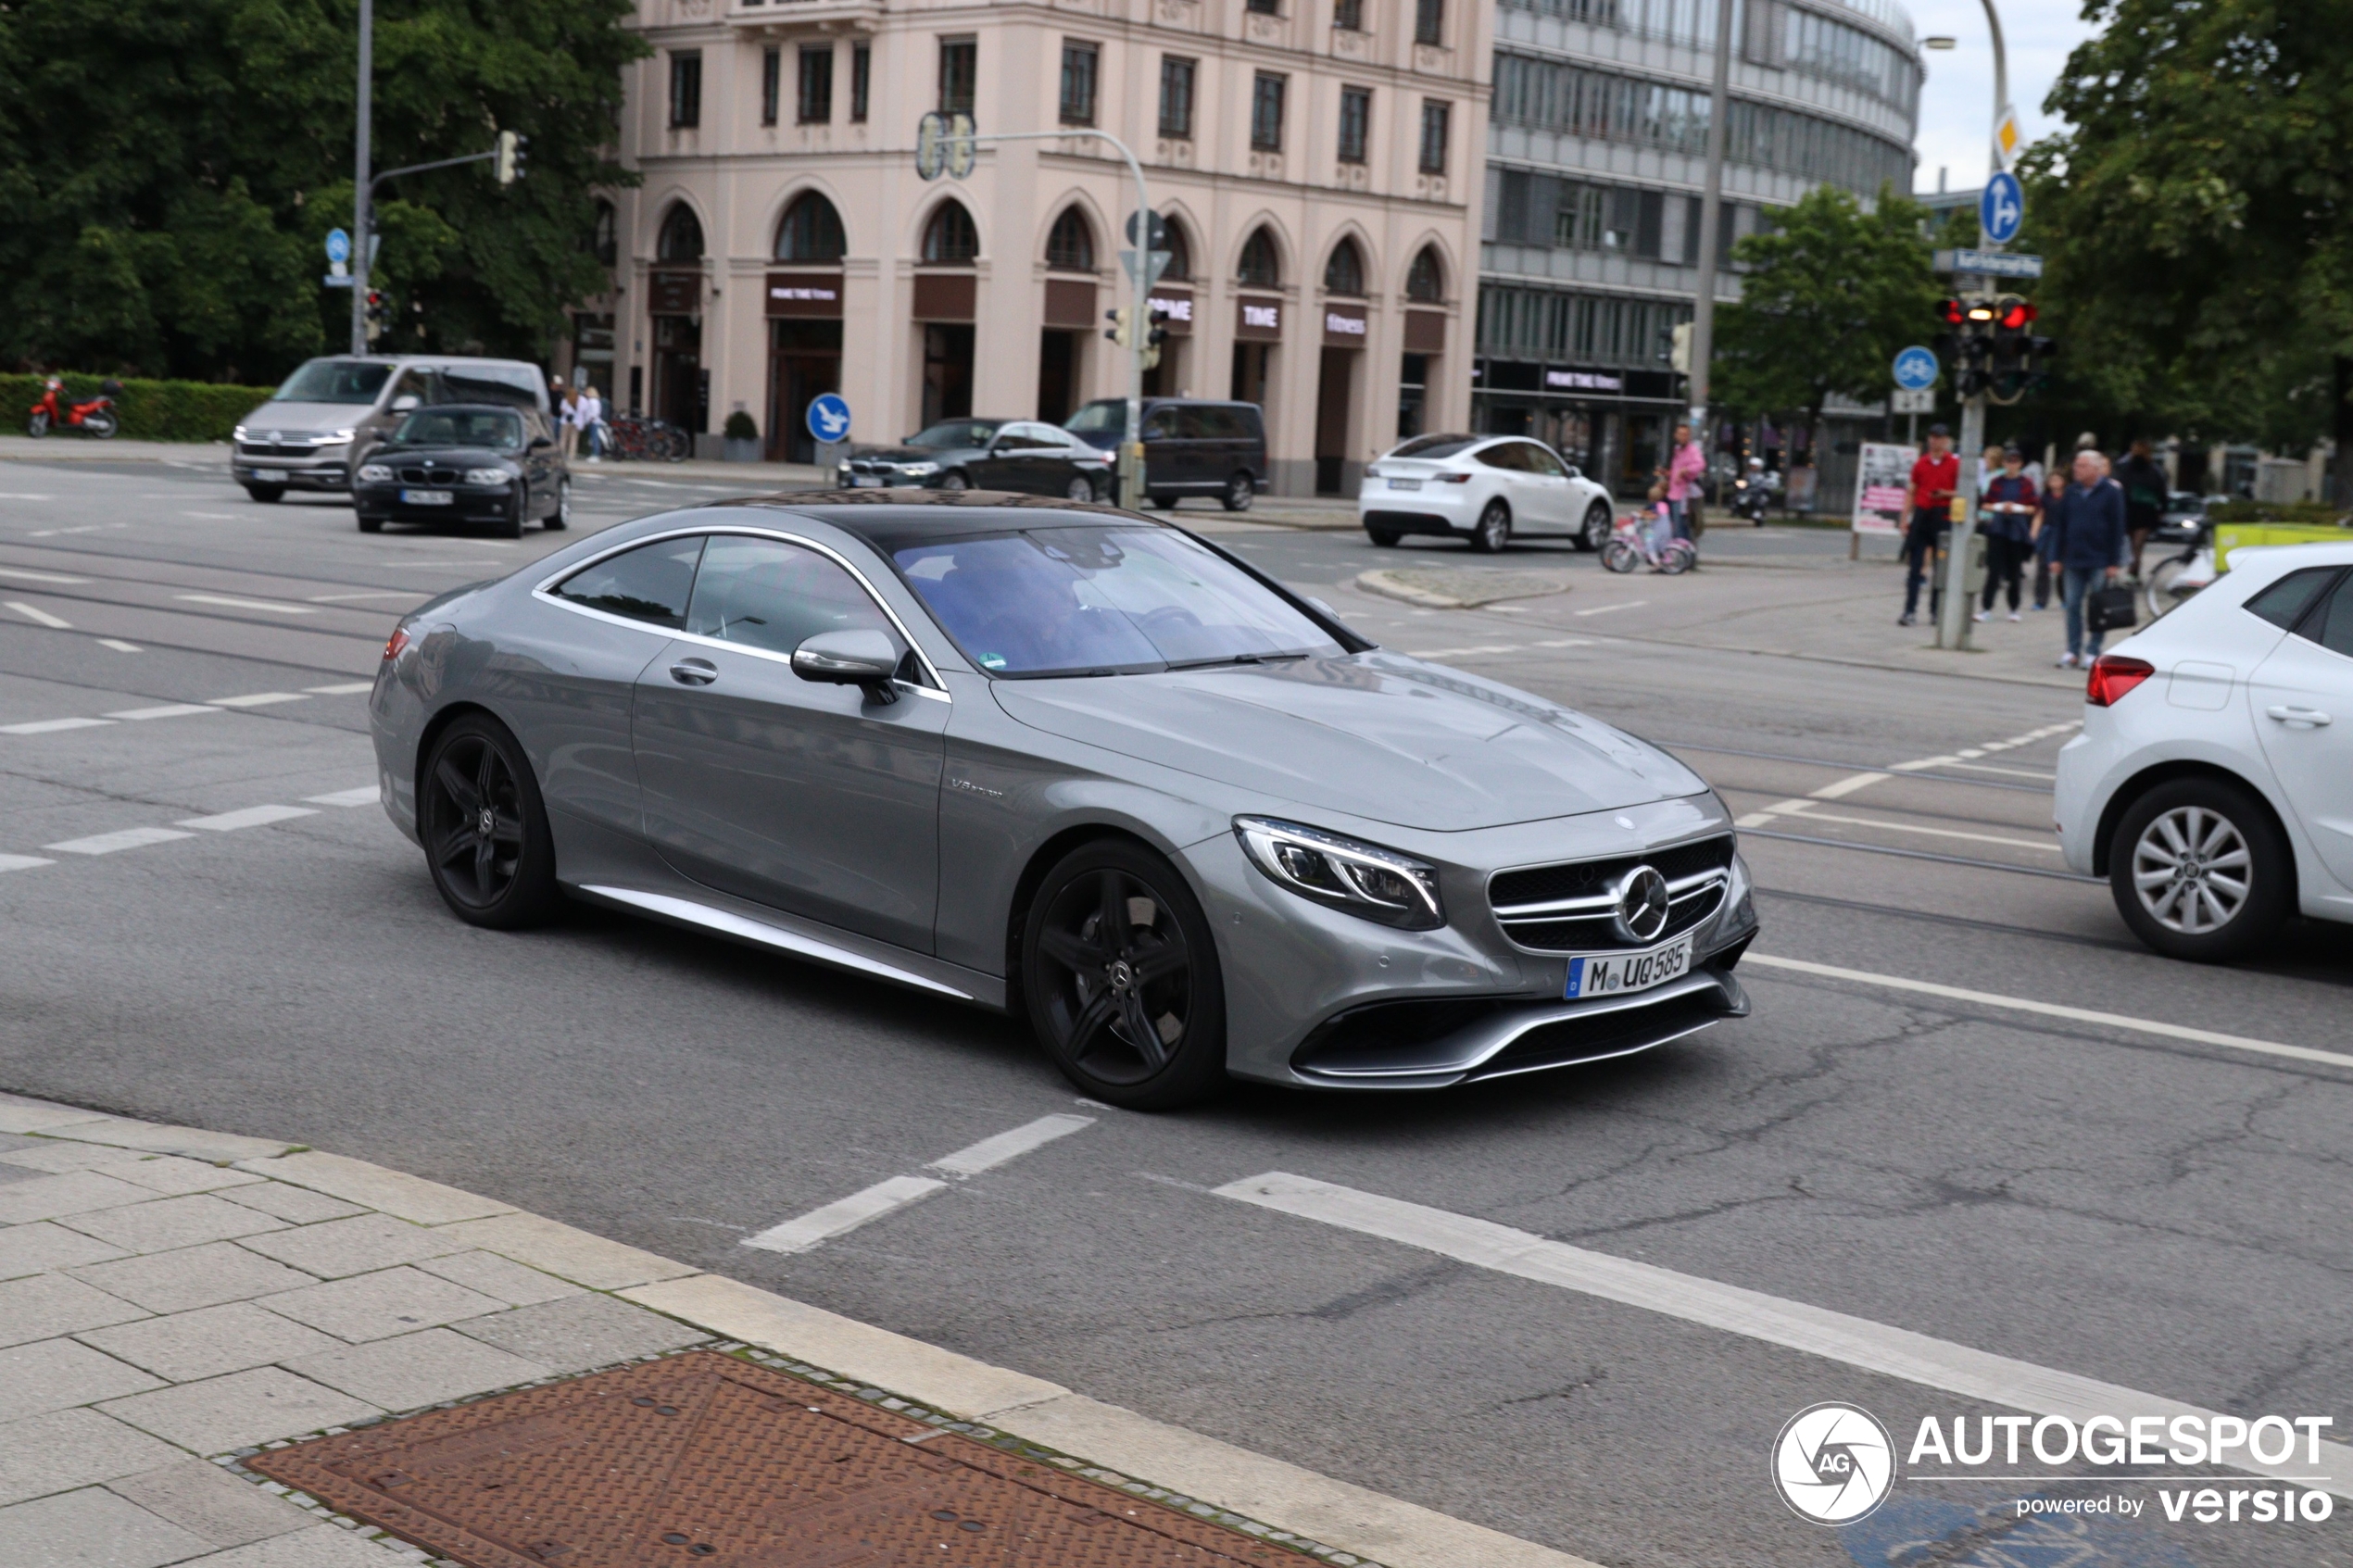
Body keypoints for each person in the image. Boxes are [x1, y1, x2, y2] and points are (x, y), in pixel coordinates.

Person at [2045, 447, 2128, 668]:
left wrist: (2114, 561)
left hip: (2099, 558)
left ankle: (2093, 650)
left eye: (2081, 466)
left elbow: (2117, 528)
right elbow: (2060, 526)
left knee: (2098, 606)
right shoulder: (2071, 492)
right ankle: (2072, 650)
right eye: (2076, 466)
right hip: (2074, 558)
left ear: (2095, 468)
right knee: (2072, 604)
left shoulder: (2111, 492)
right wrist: (2055, 556)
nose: (2076, 470)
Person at [1900, 423, 1958, 627]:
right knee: (1915, 566)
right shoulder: (1921, 463)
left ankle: (1936, 611)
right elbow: (1912, 491)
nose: (1935, 441)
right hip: (1923, 515)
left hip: (1942, 516)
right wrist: (1904, 519)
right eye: (1933, 437)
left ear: (1946, 440)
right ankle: (1909, 610)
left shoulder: (1954, 463)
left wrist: (1945, 493)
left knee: (1940, 567)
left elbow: (1963, 492)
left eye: (1940, 437)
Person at [1977, 445, 2039, 622]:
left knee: (2014, 572)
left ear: (2020, 464)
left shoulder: (2026, 483)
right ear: (2004, 463)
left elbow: (2033, 508)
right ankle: (1986, 608)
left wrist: (2016, 508)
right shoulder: (1997, 482)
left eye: (2015, 461)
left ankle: (2013, 608)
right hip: (1998, 529)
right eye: (2009, 461)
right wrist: (2000, 507)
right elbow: (1985, 504)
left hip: (2016, 531)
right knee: (1993, 571)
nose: (2012, 465)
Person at [2115, 438, 2167, 579]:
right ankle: (2134, 572)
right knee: (2137, 545)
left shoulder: (2125, 468)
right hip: (2144, 510)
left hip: (2132, 509)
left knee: (2134, 544)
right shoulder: (2154, 470)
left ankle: (2133, 571)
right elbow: (2162, 491)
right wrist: (2162, 509)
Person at [1663, 422, 1705, 540]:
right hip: (1672, 493)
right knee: (1673, 526)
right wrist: (1668, 474)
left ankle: (1683, 553)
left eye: (1686, 434)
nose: (1683, 437)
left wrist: (1685, 470)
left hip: (1684, 496)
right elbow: (1675, 470)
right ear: (1675, 435)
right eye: (1680, 434)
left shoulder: (1692, 450)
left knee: (1680, 527)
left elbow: (1700, 464)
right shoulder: (1677, 450)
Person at [2032, 468, 2067, 609]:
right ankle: (2041, 600)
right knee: (2042, 567)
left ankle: (2065, 598)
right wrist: (2034, 532)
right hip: (2047, 533)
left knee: (2063, 569)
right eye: (2052, 480)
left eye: (2057, 480)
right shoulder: (2045, 498)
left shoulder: (2068, 497)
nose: (2054, 483)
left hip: (2063, 535)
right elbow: (2039, 515)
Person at [575, 382, 604, 460]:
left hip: (593, 422)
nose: (585, 393)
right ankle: (594, 454)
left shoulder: (592, 401)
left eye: (587, 392)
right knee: (593, 438)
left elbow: (595, 412)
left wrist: (591, 419)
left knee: (594, 438)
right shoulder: (595, 401)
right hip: (593, 421)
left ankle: (596, 455)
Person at [555, 383, 581, 459]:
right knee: (574, 439)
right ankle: (572, 455)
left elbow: (562, 410)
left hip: (565, 421)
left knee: (563, 438)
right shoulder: (578, 401)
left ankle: (562, 455)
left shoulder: (565, 400)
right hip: (575, 421)